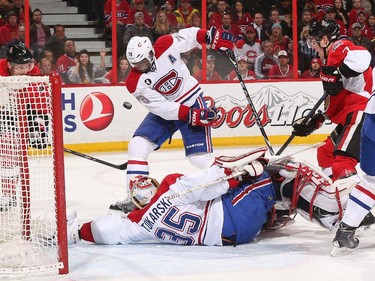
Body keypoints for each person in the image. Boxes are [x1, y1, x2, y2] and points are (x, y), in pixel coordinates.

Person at [67, 147, 375, 246]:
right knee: (284, 173)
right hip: (236, 218)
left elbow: (99, 230)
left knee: (264, 194)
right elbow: (218, 178)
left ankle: (276, 212)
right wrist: (257, 162)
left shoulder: (134, 225)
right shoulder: (173, 186)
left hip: (230, 236)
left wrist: (71, 233)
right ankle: (339, 216)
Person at [109, 26, 234, 213]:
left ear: (151, 52)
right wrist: (190, 115)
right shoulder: (134, 82)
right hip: (169, 110)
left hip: (192, 100)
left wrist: (208, 36)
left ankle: (232, 185)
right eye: (136, 65)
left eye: (143, 62)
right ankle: (135, 198)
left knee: (199, 159)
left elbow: (189, 36)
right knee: (137, 145)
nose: (140, 67)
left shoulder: (165, 44)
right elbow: (162, 108)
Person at [292, 20, 373, 219]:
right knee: (325, 154)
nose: (312, 46)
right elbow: (334, 101)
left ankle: (356, 211)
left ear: (325, 39)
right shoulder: (330, 64)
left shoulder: (339, 47)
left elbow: (363, 56)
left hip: (361, 111)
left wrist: (338, 73)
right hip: (351, 114)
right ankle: (344, 201)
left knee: (342, 163)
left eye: (314, 40)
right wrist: (315, 122)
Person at [0, 42, 41, 211]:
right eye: (21, 67)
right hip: (3, 108)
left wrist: (39, 128)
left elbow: (37, 104)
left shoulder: (34, 73)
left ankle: (8, 194)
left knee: (8, 150)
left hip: (15, 116)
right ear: (9, 65)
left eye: (28, 65)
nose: (26, 70)